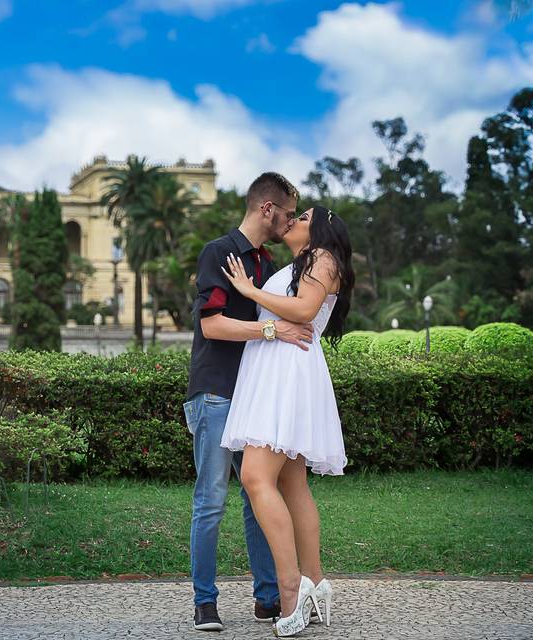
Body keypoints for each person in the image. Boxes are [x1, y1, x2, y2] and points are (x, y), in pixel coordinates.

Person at [184, 172, 314, 632]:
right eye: (289, 212)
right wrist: (273, 329)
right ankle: (204, 602)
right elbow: (212, 326)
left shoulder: (266, 264)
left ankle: (267, 598)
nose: (291, 221)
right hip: (216, 391)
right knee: (212, 499)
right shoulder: (220, 253)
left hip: (255, 397)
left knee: (260, 496)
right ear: (266, 209)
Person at [219, 205, 355, 637]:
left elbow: (303, 309)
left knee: (256, 478)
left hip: (287, 373)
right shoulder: (302, 261)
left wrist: (249, 289)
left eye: (303, 216)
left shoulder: (322, 257)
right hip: (279, 369)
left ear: (319, 229)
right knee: (292, 484)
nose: (293, 221)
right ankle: (315, 581)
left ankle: (291, 588)